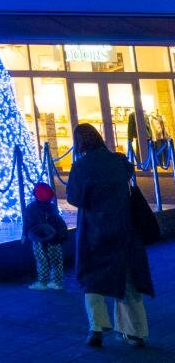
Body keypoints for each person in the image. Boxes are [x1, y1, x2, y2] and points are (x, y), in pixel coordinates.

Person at [67, 123, 155, 349]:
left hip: (93, 230)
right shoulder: (118, 161)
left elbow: (74, 198)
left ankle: (97, 327)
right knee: (128, 279)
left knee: (91, 279)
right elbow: (128, 176)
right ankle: (135, 332)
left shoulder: (81, 167)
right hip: (123, 227)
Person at [23, 181, 67, 291]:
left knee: (42, 260)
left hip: (39, 238)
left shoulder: (31, 207)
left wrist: (24, 234)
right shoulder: (52, 207)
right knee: (57, 260)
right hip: (54, 237)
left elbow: (27, 223)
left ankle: (43, 282)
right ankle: (57, 282)